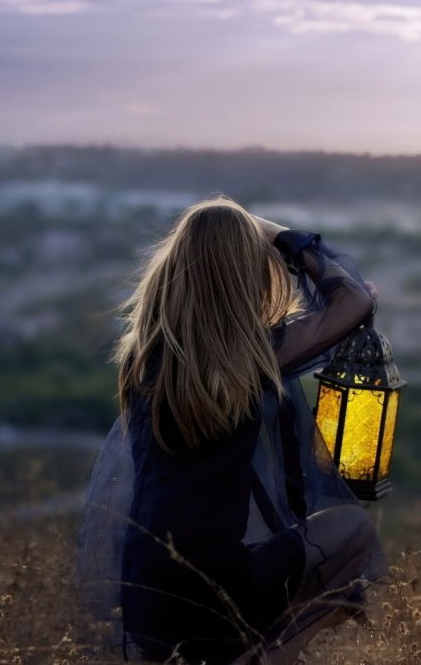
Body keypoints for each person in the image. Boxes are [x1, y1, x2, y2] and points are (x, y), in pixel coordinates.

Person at [76, 196, 386, 664]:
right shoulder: (252, 359)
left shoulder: (144, 357)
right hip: (217, 592)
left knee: (263, 555)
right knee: (354, 530)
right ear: (243, 278)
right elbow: (354, 300)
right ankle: (263, 657)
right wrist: (276, 234)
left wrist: (216, 224)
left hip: (144, 593)